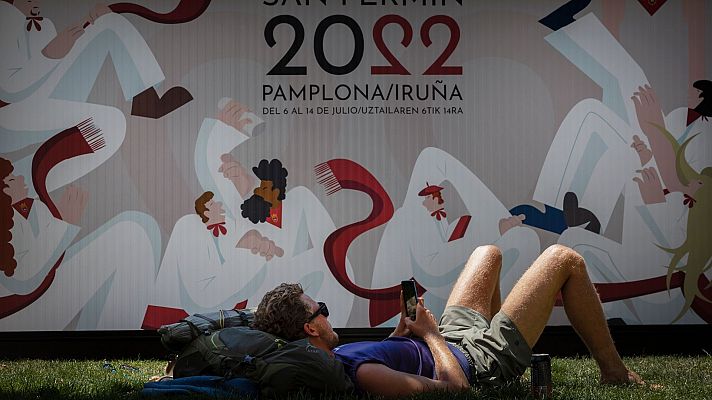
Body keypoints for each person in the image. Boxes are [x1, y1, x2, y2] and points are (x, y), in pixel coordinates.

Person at [253, 245, 644, 397]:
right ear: (310, 327)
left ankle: (508, 330)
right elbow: (455, 392)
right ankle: (614, 373)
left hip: (450, 341)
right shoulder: (359, 373)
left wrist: (403, 332)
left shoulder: (337, 357)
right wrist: (432, 335)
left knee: (486, 254)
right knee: (563, 259)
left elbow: (384, 357)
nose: (325, 310)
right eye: (319, 307)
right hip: (477, 361)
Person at [0, 0, 192, 198]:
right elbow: (9, 91)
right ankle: (31, 182)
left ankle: (147, 99)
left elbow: (49, 74)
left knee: (109, 23)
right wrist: (49, 55)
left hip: (39, 102)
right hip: (8, 118)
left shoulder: (43, 24)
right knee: (110, 122)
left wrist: (88, 22)